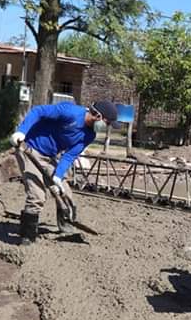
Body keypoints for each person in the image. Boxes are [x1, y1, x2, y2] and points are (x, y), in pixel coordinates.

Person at [10, 100, 118, 244]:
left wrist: (58, 177)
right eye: (108, 122)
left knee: (65, 192)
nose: (107, 127)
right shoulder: (71, 112)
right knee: (37, 195)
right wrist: (21, 131)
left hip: (50, 156)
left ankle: (66, 226)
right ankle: (27, 236)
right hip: (30, 148)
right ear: (98, 115)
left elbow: (69, 155)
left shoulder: (89, 135)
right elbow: (39, 111)